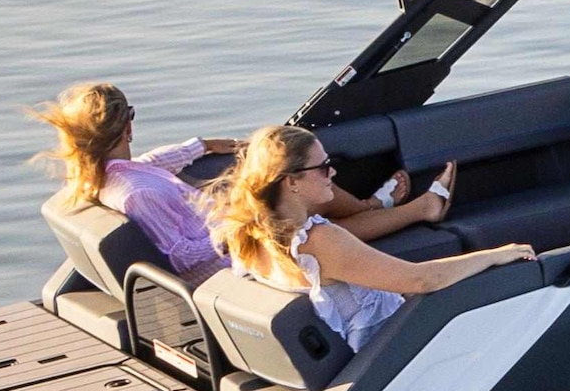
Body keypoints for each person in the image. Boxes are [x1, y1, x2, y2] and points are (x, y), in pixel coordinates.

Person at [38, 81, 458, 280]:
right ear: (125, 128)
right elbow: (184, 255)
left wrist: (202, 145)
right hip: (233, 256)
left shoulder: (109, 176)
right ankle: (417, 208)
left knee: (291, 182)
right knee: (293, 184)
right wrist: (239, 223)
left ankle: (376, 207)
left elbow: (153, 162)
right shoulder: (139, 193)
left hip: (224, 231)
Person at [209, 125, 536, 359]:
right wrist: (496, 255)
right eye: (323, 168)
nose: (333, 174)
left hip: (357, 349)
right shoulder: (321, 240)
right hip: (391, 349)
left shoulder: (249, 234)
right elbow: (420, 279)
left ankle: (420, 207)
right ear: (291, 181)